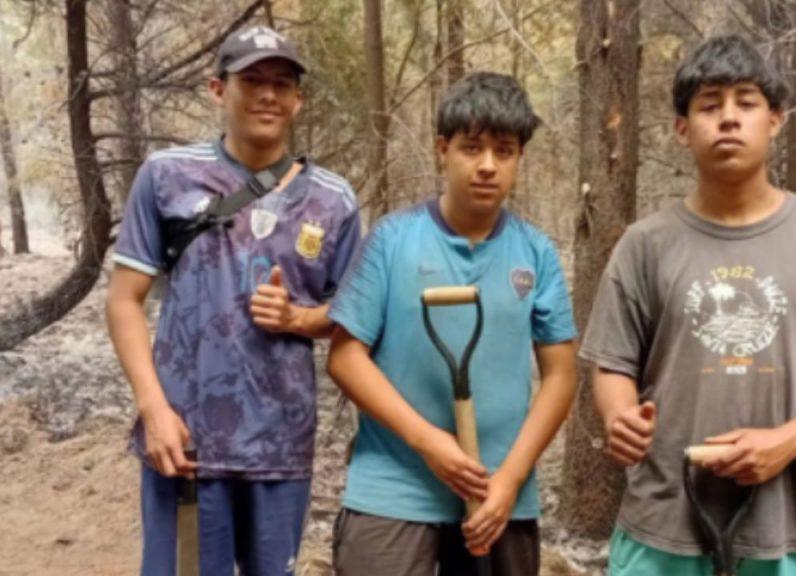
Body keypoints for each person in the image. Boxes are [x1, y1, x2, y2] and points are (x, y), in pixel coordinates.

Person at [580, 35, 796, 575]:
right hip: (666, 522)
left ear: (775, 120)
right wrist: (620, 416)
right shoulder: (646, 244)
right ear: (683, 129)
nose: (729, 119)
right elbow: (613, 363)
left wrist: (785, 442)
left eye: (747, 102)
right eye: (710, 106)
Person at [105, 25, 360, 576]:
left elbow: (351, 319)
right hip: (185, 439)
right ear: (218, 89)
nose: (268, 94)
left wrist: (298, 317)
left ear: (298, 99)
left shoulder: (333, 199)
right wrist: (153, 410)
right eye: (252, 80)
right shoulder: (167, 176)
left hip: (281, 444)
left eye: (281, 83)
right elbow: (125, 300)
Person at [326, 71, 577, 576]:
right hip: (392, 488)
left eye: (504, 152)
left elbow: (561, 375)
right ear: (443, 149)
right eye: (471, 148)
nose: (487, 166)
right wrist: (428, 441)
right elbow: (345, 357)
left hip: (497, 494)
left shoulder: (536, 252)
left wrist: (511, 478)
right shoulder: (392, 239)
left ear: (519, 158)